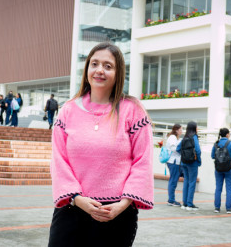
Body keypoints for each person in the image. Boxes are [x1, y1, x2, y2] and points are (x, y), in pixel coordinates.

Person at [48, 42, 154, 246]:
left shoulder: (133, 111)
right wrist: (78, 200)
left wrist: (121, 205)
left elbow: (143, 161)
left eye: (108, 66)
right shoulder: (68, 111)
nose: (99, 70)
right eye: (94, 64)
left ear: (118, 72)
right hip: (71, 210)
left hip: (116, 215)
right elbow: (58, 160)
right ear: (87, 68)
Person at [211, 128, 231, 214]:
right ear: (227, 134)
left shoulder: (216, 144)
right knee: (229, 188)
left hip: (218, 168)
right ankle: (228, 208)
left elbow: (212, 156)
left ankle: (217, 207)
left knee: (218, 188)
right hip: (229, 168)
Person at [177, 121, 201, 211]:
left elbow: (178, 148)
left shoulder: (185, 137)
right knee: (192, 182)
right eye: (197, 127)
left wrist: (184, 155)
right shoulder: (194, 137)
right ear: (194, 128)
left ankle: (185, 203)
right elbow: (198, 150)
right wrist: (198, 160)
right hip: (192, 163)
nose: (197, 129)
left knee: (186, 182)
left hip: (184, 162)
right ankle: (190, 204)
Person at [165, 124, 183, 207]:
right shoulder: (172, 137)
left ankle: (171, 199)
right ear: (176, 130)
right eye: (181, 129)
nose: (182, 131)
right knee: (173, 181)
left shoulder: (174, 138)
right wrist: (181, 149)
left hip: (175, 162)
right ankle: (171, 200)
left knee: (173, 180)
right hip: (173, 162)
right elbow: (173, 149)